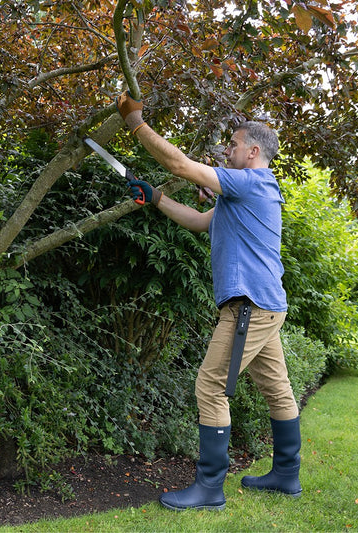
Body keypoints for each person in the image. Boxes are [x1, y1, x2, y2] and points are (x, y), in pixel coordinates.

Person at [116, 91, 302, 511]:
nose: (226, 151)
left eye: (233, 145)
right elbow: (201, 221)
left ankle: (210, 488)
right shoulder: (244, 194)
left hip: (249, 306)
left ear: (253, 151)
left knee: (210, 385)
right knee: (277, 388)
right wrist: (157, 197)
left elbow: (181, 166)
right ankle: (286, 475)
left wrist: (136, 123)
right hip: (265, 304)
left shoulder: (251, 182)